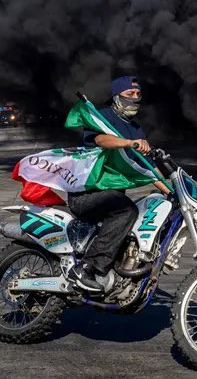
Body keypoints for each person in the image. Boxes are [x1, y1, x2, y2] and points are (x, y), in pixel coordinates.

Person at [67, 76, 172, 292]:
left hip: (111, 198)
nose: (135, 98)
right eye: (129, 94)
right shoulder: (102, 117)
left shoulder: (135, 128)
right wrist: (128, 143)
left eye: (138, 94)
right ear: (116, 96)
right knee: (126, 211)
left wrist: (172, 192)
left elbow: (147, 169)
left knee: (146, 210)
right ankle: (86, 268)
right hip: (86, 195)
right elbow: (100, 140)